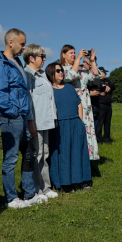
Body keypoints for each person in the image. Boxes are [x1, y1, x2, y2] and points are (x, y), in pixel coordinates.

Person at [0, 29, 46, 209]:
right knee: (11, 157)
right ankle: (11, 198)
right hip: (10, 118)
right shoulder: (0, 63)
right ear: (10, 42)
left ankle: (29, 194)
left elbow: (23, 93)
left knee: (29, 154)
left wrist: (26, 117)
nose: (24, 47)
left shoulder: (17, 63)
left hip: (21, 116)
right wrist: (13, 112)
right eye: (22, 44)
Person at [47, 62, 91, 191]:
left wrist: (80, 122)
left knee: (78, 152)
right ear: (51, 73)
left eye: (61, 70)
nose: (61, 72)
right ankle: (64, 183)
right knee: (63, 154)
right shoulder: (49, 89)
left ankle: (80, 180)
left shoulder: (69, 87)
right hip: (60, 125)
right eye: (58, 71)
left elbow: (79, 104)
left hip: (75, 123)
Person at [24, 44, 58, 199]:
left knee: (44, 154)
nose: (44, 59)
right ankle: (36, 188)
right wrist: (30, 122)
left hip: (46, 120)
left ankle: (46, 187)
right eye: (42, 56)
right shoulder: (27, 75)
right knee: (37, 155)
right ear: (31, 58)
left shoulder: (43, 74)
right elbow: (28, 101)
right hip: (36, 122)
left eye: (45, 56)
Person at [60, 45, 100, 175]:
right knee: (74, 135)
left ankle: (86, 165)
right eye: (71, 53)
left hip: (86, 107)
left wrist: (92, 61)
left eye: (75, 53)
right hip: (71, 107)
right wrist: (78, 58)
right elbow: (71, 76)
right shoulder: (61, 70)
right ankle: (73, 166)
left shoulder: (82, 70)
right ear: (63, 54)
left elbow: (96, 76)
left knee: (86, 135)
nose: (73, 55)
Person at [93, 67, 115, 143]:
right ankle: (98, 139)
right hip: (101, 105)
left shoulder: (107, 81)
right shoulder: (97, 81)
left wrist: (109, 87)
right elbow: (97, 89)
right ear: (100, 72)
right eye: (104, 72)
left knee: (107, 123)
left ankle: (107, 138)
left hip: (108, 105)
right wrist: (104, 88)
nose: (105, 74)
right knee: (100, 123)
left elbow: (113, 86)